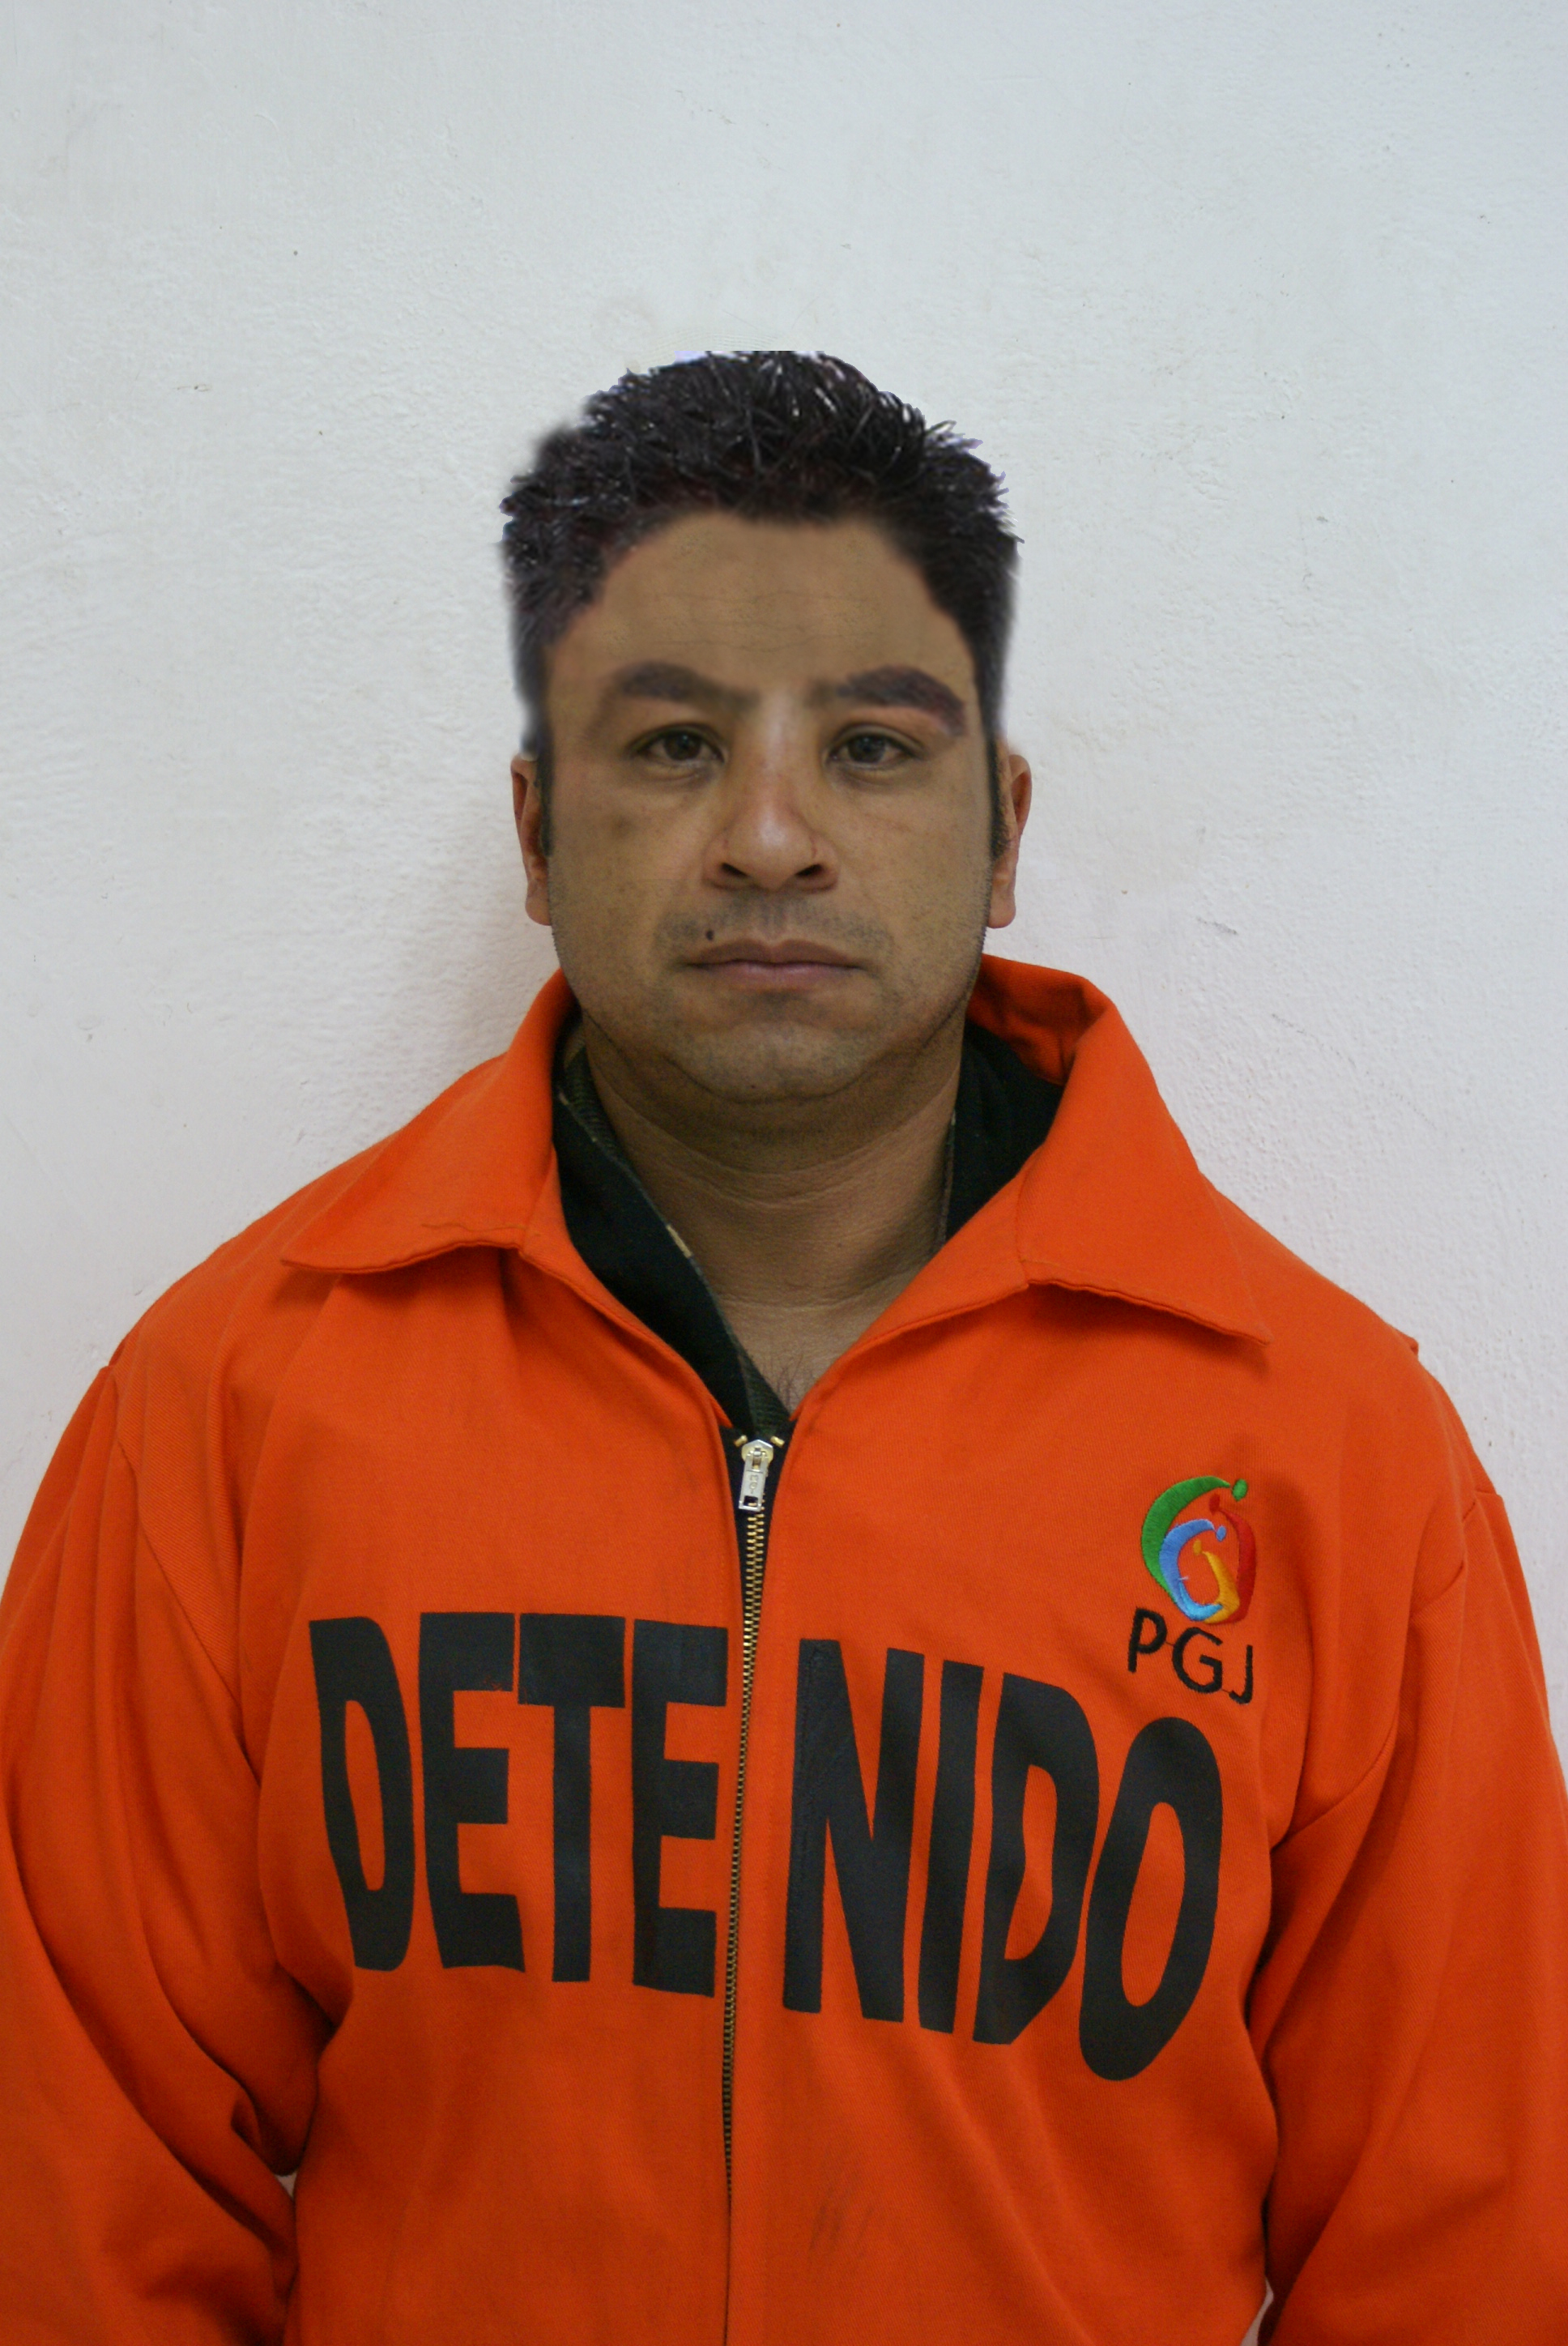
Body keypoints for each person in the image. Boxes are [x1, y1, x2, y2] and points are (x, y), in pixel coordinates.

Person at [1, 351, 1564, 2346]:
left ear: (999, 830)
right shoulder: (232, 1405)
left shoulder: (1332, 1452)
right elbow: (79, 2204)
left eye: (871, 746)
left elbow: (1466, 2248)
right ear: (536, 829)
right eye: (669, 743)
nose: (766, 836)